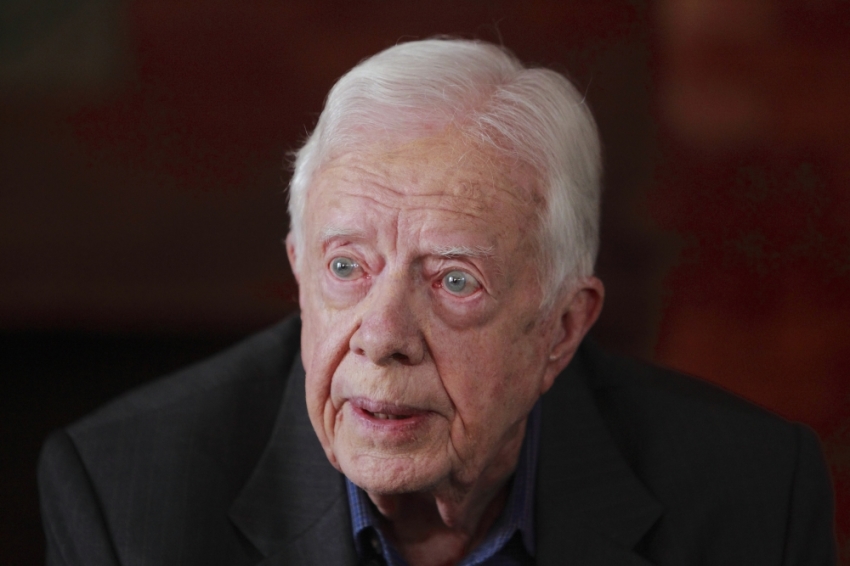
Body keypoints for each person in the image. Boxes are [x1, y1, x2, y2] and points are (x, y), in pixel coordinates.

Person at [38, 38, 836, 566]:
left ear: (563, 326)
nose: (381, 336)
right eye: (346, 267)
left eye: (455, 280)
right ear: (298, 272)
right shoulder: (126, 496)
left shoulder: (751, 498)